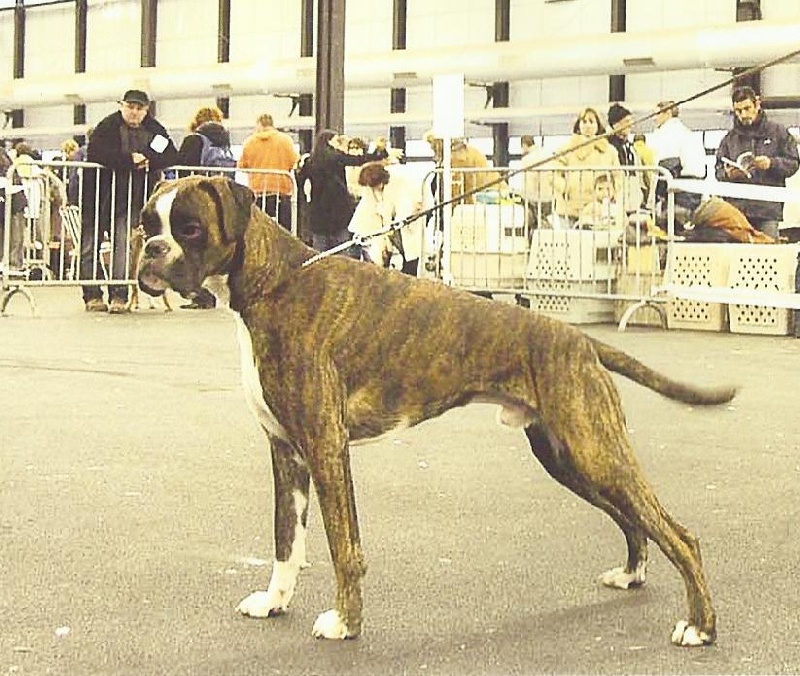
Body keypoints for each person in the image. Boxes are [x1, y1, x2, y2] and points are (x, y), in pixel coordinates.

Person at [80, 89, 179, 314]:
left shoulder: (155, 130)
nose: (134, 112)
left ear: (146, 110)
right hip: (97, 197)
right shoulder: (107, 127)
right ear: (122, 106)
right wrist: (129, 160)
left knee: (122, 246)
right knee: (89, 247)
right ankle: (92, 295)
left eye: (139, 108)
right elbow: (97, 153)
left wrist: (149, 159)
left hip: (129, 200)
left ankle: (119, 294)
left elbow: (171, 153)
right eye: (130, 107)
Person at [715, 86, 800, 240]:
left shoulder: (779, 133)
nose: (743, 114)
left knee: (768, 250)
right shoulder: (728, 140)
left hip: (767, 209)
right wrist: (727, 174)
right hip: (736, 211)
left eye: (747, 108)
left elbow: (793, 163)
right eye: (738, 111)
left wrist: (772, 163)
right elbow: (718, 170)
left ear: (757, 104)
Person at [300, 129, 399, 256]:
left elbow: (301, 182)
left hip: (318, 214)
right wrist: (378, 152)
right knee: (342, 253)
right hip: (338, 211)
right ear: (329, 142)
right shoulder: (336, 158)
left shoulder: (310, 162)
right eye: (337, 140)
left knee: (320, 255)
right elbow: (358, 160)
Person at [347, 160, 424, 275]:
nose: (374, 189)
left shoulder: (401, 182)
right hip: (385, 224)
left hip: (406, 223)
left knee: (409, 255)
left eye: (375, 186)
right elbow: (369, 212)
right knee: (378, 256)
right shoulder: (371, 188)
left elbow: (405, 209)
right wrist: (379, 240)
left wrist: (392, 226)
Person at [552, 107, 620, 227]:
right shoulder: (565, 149)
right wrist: (564, 187)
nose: (588, 125)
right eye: (584, 121)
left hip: (599, 208)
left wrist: (614, 193)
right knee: (569, 237)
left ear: (598, 125)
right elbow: (554, 173)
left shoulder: (609, 151)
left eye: (591, 121)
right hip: (569, 205)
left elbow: (618, 175)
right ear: (578, 125)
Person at [237, 113, 299, 230]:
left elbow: (242, 166)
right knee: (284, 230)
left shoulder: (249, 142)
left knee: (258, 229)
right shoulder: (285, 140)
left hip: (258, 192)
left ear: (258, 125)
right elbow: (294, 163)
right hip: (281, 192)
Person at [649, 100, 707, 216]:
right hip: (694, 192)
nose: (654, 118)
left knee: (670, 223)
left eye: (657, 114)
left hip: (678, 195)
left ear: (668, 113)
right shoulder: (686, 132)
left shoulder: (669, 134)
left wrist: (657, 196)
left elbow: (667, 166)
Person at [511, 133, 556, 228]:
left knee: (532, 220)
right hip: (550, 197)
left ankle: (531, 234)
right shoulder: (547, 154)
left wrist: (520, 194)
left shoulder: (527, 160)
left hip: (535, 198)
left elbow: (527, 183)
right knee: (543, 219)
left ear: (524, 145)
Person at [607, 103, 645, 212]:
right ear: (615, 124)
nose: (631, 125)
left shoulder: (630, 147)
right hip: (616, 198)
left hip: (633, 197)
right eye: (627, 121)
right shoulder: (609, 148)